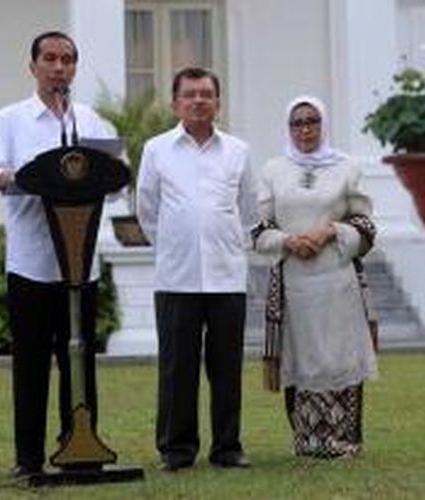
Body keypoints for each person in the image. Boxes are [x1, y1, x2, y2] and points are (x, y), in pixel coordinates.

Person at [0, 30, 116, 477]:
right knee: (31, 363)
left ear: (74, 68)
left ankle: (79, 448)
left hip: (79, 263)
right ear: (32, 66)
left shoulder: (91, 123)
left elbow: (111, 174)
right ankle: (28, 458)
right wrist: (26, 178)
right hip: (32, 263)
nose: (58, 67)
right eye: (49, 59)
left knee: (80, 357)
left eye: (67, 60)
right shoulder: (10, 119)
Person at [136, 67, 258, 471]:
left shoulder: (238, 151)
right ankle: (176, 449)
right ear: (175, 103)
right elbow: (147, 211)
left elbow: (248, 212)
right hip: (177, 275)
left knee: (226, 367)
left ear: (218, 103)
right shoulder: (157, 150)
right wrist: (176, 244)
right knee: (177, 368)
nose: (198, 101)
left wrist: (225, 244)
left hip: (226, 275)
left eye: (206, 94)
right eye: (189, 94)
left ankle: (228, 447)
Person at [252, 95, 378, 458]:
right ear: (288, 128)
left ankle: (344, 440)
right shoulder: (274, 170)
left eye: (312, 121)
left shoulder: (347, 167)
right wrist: (289, 241)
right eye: (297, 123)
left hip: (337, 279)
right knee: (302, 356)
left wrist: (329, 233)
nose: (305, 129)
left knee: (340, 355)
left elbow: (366, 224)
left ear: (323, 124)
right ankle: (308, 440)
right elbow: (258, 229)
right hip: (295, 283)